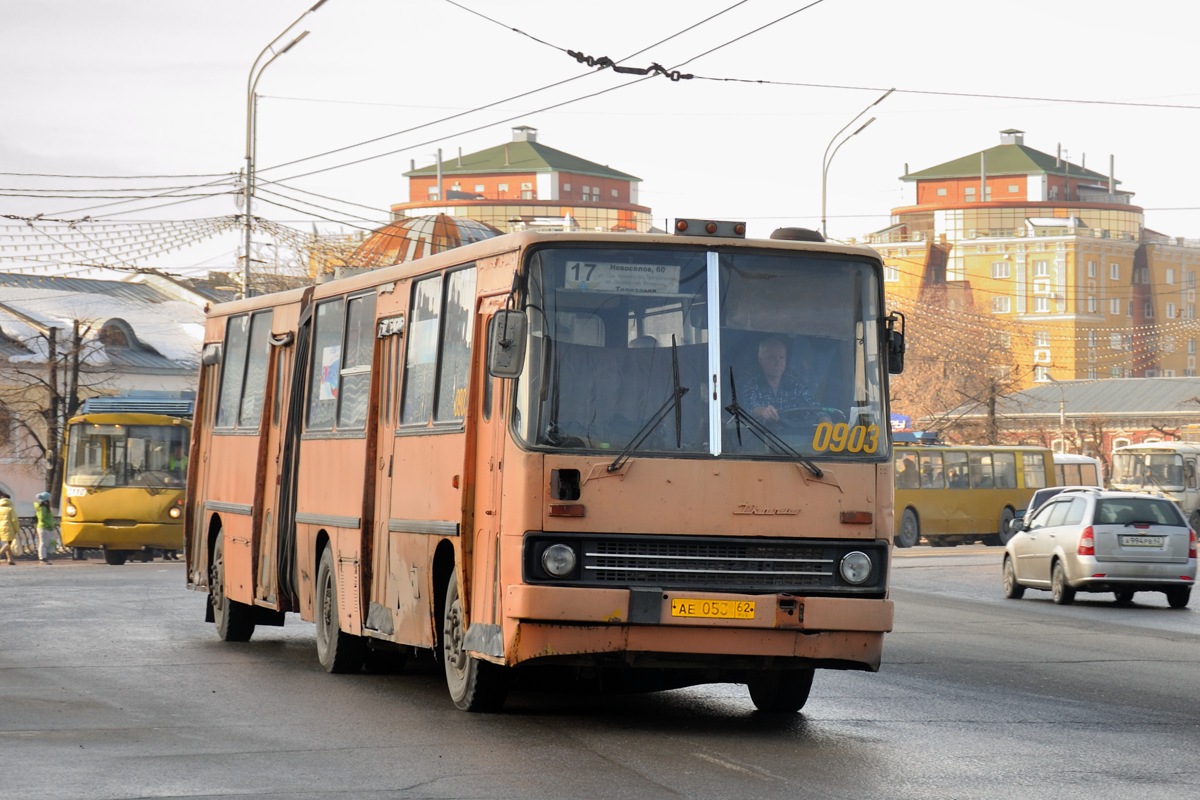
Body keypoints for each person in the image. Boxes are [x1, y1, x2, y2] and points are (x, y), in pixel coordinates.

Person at [743, 336, 818, 423]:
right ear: (760, 360)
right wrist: (763, 411)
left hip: (793, 435)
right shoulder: (752, 384)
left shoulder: (796, 385)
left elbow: (813, 407)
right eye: (771, 358)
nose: (777, 363)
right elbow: (748, 407)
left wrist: (824, 420)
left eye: (781, 357)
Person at [34, 491, 56, 564]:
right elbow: (42, 518)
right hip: (44, 527)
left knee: (44, 543)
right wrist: (49, 524)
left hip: (44, 527)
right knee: (43, 543)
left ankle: (43, 557)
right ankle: (42, 558)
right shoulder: (43, 508)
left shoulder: (42, 507)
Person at [0, 493, 19, 565]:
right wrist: (17, 529)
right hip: (8, 528)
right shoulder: (10, 508)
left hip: (1, 528)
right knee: (8, 543)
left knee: (7, 543)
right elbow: (14, 520)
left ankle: (10, 559)